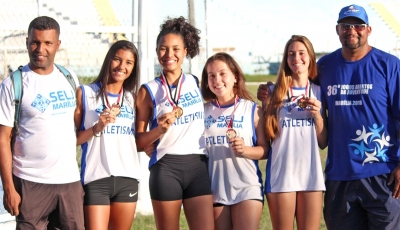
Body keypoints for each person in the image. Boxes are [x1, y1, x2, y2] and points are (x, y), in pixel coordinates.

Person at [259, 5, 400, 229]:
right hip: (339, 175)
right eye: (345, 26)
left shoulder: (389, 65)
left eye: (358, 26)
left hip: (381, 173)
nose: (351, 30)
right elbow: (296, 83)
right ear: (337, 30)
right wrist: (269, 92)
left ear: (369, 30)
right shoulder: (324, 67)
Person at [0, 16, 84, 229]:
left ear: (57, 45)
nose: (40, 48)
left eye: (47, 43)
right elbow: (3, 139)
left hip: (69, 181)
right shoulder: (13, 84)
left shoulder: (69, 77)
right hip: (30, 182)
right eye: (35, 42)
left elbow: (77, 126)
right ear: (27, 42)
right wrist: (9, 189)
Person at [135, 17, 214, 230]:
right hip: (166, 168)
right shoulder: (148, 90)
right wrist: (158, 131)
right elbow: (138, 142)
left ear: (186, 50)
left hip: (198, 166)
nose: (169, 55)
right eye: (163, 49)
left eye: (175, 49)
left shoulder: (196, 82)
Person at [74, 40, 140, 229]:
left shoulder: (132, 98)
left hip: (127, 179)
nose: (122, 66)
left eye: (129, 62)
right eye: (117, 59)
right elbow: (73, 139)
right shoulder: (85, 93)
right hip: (96, 178)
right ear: (108, 60)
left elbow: (137, 137)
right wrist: (96, 128)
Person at [263, 35, 327, 230]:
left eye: (301, 53)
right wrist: (266, 103)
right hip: (282, 174)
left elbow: (323, 142)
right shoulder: (273, 92)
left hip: (311, 174)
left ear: (310, 57)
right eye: (291, 54)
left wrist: (317, 115)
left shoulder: (319, 91)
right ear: (286, 59)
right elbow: (268, 135)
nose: (296, 58)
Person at [201, 52, 269, 230]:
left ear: (235, 77)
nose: (217, 80)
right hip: (215, 189)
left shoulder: (252, 109)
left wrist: (245, 150)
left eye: (223, 74)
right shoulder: (202, 111)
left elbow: (265, 149)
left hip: (247, 188)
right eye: (211, 76)